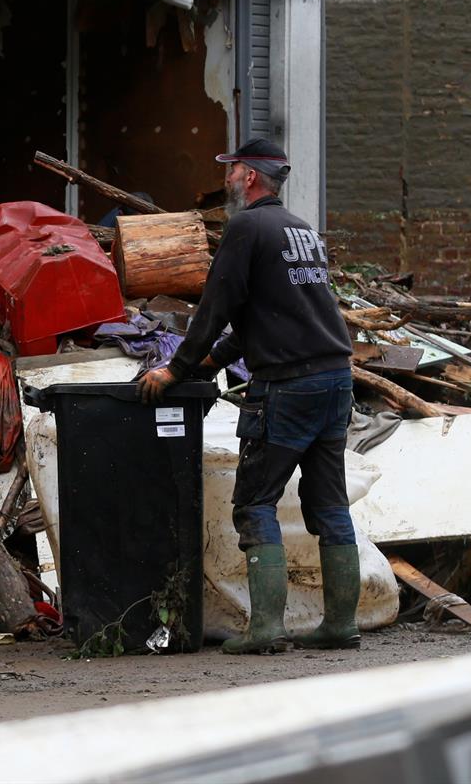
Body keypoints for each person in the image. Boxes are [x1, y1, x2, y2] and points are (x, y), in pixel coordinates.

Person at [138, 137, 355, 655]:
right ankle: (341, 624)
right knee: (328, 501)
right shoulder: (300, 230)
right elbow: (264, 314)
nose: (228, 180)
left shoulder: (246, 227)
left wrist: (177, 370)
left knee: (255, 501)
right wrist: (213, 361)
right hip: (335, 379)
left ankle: (266, 629)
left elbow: (215, 309)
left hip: (289, 387)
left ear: (251, 176)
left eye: (231, 170)